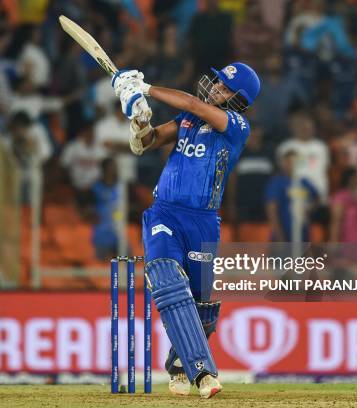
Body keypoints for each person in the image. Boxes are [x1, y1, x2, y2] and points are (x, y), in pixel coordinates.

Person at [110, 61, 260, 398]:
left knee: (201, 305)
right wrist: (140, 121)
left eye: (225, 87)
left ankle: (178, 365)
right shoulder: (187, 121)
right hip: (165, 212)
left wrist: (143, 88)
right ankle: (204, 373)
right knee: (165, 276)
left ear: (239, 100)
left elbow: (194, 104)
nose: (217, 87)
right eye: (218, 82)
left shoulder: (237, 126)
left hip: (204, 222)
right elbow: (149, 141)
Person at [265, 150, 319, 242]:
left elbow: (317, 197)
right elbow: (271, 210)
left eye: (295, 162)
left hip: (302, 235)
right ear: (283, 163)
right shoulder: (277, 182)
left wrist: (309, 209)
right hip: (284, 235)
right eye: (289, 161)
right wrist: (279, 235)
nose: (292, 165)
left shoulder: (304, 182)